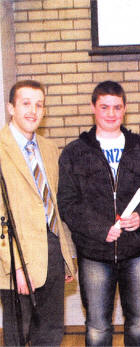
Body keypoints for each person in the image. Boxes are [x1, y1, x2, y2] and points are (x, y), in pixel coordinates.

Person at [57, 81, 140, 346]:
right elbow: (67, 203)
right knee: (98, 327)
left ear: (125, 110)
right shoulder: (74, 153)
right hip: (95, 254)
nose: (111, 114)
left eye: (117, 107)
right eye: (104, 107)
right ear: (93, 108)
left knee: (139, 322)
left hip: (138, 253)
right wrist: (100, 229)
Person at [0, 80, 76, 345]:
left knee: (51, 333)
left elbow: (53, 204)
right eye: (25, 104)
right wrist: (16, 267)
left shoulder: (48, 148)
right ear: (11, 108)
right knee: (18, 337)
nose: (33, 111)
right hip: (17, 257)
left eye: (39, 104)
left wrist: (65, 256)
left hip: (52, 251)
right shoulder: (0, 149)